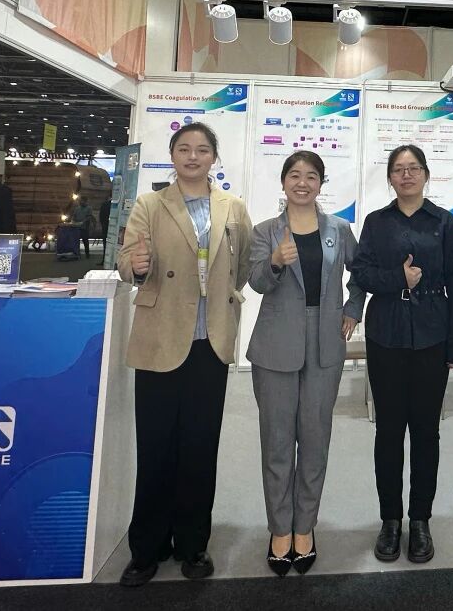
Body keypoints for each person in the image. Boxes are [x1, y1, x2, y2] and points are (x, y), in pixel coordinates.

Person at [116, 122, 253, 588]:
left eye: (202, 149)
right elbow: (127, 259)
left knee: (199, 447)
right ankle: (147, 548)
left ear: (214, 157)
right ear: (173, 155)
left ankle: (194, 544)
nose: (193, 156)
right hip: (160, 337)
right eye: (184, 149)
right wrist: (135, 267)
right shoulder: (150, 204)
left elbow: (244, 263)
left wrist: (224, 296)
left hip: (209, 342)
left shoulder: (232, 208)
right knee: (156, 447)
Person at [349, 144, 453, 565]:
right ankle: (390, 521)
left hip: (432, 337)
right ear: (389, 177)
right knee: (387, 432)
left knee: (425, 433)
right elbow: (361, 273)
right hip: (386, 336)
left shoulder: (444, 222)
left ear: (425, 175)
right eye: (399, 169)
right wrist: (397, 279)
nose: (406, 175)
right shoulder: (376, 222)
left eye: (413, 168)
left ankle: (420, 520)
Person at [247, 151, 365, 576]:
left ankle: (305, 527)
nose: (302, 182)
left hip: (325, 343)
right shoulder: (265, 231)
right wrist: (275, 262)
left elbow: (361, 274)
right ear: (283, 182)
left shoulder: (339, 230)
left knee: (315, 441)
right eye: (294, 175)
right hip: (275, 345)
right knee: (277, 442)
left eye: (311, 176)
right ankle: (280, 529)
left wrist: (352, 308)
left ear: (320, 183)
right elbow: (255, 281)